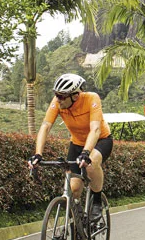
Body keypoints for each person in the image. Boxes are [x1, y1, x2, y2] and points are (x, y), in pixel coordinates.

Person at [28, 73, 112, 225]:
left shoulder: (91, 99)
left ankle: (97, 201)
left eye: (62, 96)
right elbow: (45, 126)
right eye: (56, 95)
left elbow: (95, 129)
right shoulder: (58, 102)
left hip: (101, 140)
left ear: (76, 95)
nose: (58, 99)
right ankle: (78, 229)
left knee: (92, 164)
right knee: (73, 189)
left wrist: (86, 153)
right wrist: (38, 154)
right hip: (77, 143)